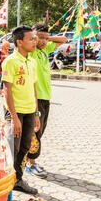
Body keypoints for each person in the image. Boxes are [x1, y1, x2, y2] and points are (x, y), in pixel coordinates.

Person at [25, 24, 67, 178]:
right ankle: (31, 164)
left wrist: (46, 38)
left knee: (40, 131)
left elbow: (63, 39)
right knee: (34, 132)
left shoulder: (45, 50)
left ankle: (30, 161)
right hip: (35, 97)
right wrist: (36, 38)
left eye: (45, 38)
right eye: (39, 38)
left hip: (46, 97)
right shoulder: (33, 52)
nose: (43, 41)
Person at [2, 26, 40, 195]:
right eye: (31, 39)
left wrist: (37, 113)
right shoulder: (10, 61)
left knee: (25, 147)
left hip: (30, 111)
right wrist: (14, 117)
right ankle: (4, 189)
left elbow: (33, 88)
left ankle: (18, 180)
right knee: (12, 149)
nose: (35, 41)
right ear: (19, 42)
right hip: (15, 112)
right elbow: (7, 91)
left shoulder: (32, 61)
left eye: (34, 38)